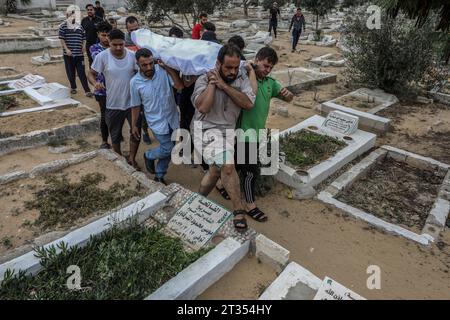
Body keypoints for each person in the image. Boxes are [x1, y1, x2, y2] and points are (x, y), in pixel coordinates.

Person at [191, 44, 257, 231]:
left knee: (215, 170)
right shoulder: (204, 79)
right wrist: (214, 84)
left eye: (236, 67)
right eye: (228, 67)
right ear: (218, 63)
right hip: (205, 130)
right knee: (228, 166)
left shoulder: (241, 79)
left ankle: (198, 197)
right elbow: (203, 107)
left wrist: (224, 86)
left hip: (227, 132)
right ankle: (238, 211)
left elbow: (248, 103)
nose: (232, 71)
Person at [236, 47, 293, 222]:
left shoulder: (270, 83)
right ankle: (249, 204)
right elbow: (239, 67)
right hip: (241, 133)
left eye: (270, 67)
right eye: (265, 65)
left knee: (238, 166)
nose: (267, 70)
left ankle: (221, 184)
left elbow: (288, 98)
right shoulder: (244, 77)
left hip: (257, 133)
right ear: (257, 60)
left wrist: (288, 95)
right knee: (251, 172)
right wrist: (251, 67)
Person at [89, 29, 141, 168]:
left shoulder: (132, 55)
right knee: (115, 135)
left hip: (132, 104)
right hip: (112, 104)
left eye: (121, 44)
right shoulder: (102, 56)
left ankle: (131, 158)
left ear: (124, 43)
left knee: (136, 133)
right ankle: (120, 160)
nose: (118, 48)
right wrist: (95, 83)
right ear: (109, 43)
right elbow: (91, 73)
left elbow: (141, 73)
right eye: (115, 45)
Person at [131, 48, 184, 185]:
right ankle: (148, 155)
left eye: (151, 63)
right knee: (168, 149)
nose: (149, 67)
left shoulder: (163, 71)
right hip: (156, 122)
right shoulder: (134, 82)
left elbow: (179, 85)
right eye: (144, 65)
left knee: (169, 149)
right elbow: (136, 105)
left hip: (172, 118)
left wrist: (167, 68)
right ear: (138, 64)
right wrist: (134, 125)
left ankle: (159, 175)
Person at [59, 7, 93, 97]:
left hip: (79, 54)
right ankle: (73, 87)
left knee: (81, 72)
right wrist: (66, 49)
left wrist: (83, 46)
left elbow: (84, 38)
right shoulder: (63, 26)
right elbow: (62, 39)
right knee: (71, 72)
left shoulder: (79, 26)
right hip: (68, 55)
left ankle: (87, 90)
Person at [89, 21, 112, 149]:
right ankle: (104, 140)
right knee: (105, 115)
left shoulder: (116, 47)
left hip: (116, 88)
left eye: (109, 35)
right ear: (98, 34)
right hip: (102, 89)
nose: (106, 38)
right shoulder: (94, 48)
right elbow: (101, 60)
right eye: (103, 35)